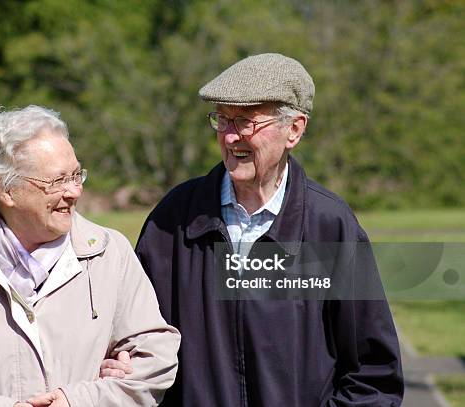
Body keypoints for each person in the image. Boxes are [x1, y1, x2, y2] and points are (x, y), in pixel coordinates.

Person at [102, 53, 404, 405]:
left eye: (245, 122)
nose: (230, 138)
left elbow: (373, 376)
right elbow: (134, 336)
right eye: (223, 120)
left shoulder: (329, 226)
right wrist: (123, 361)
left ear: (294, 129)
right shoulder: (174, 219)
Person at [0, 105, 180, 406]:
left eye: (76, 176)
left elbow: (154, 356)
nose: (74, 192)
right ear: (5, 189)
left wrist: (79, 401)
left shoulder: (110, 254)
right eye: (56, 181)